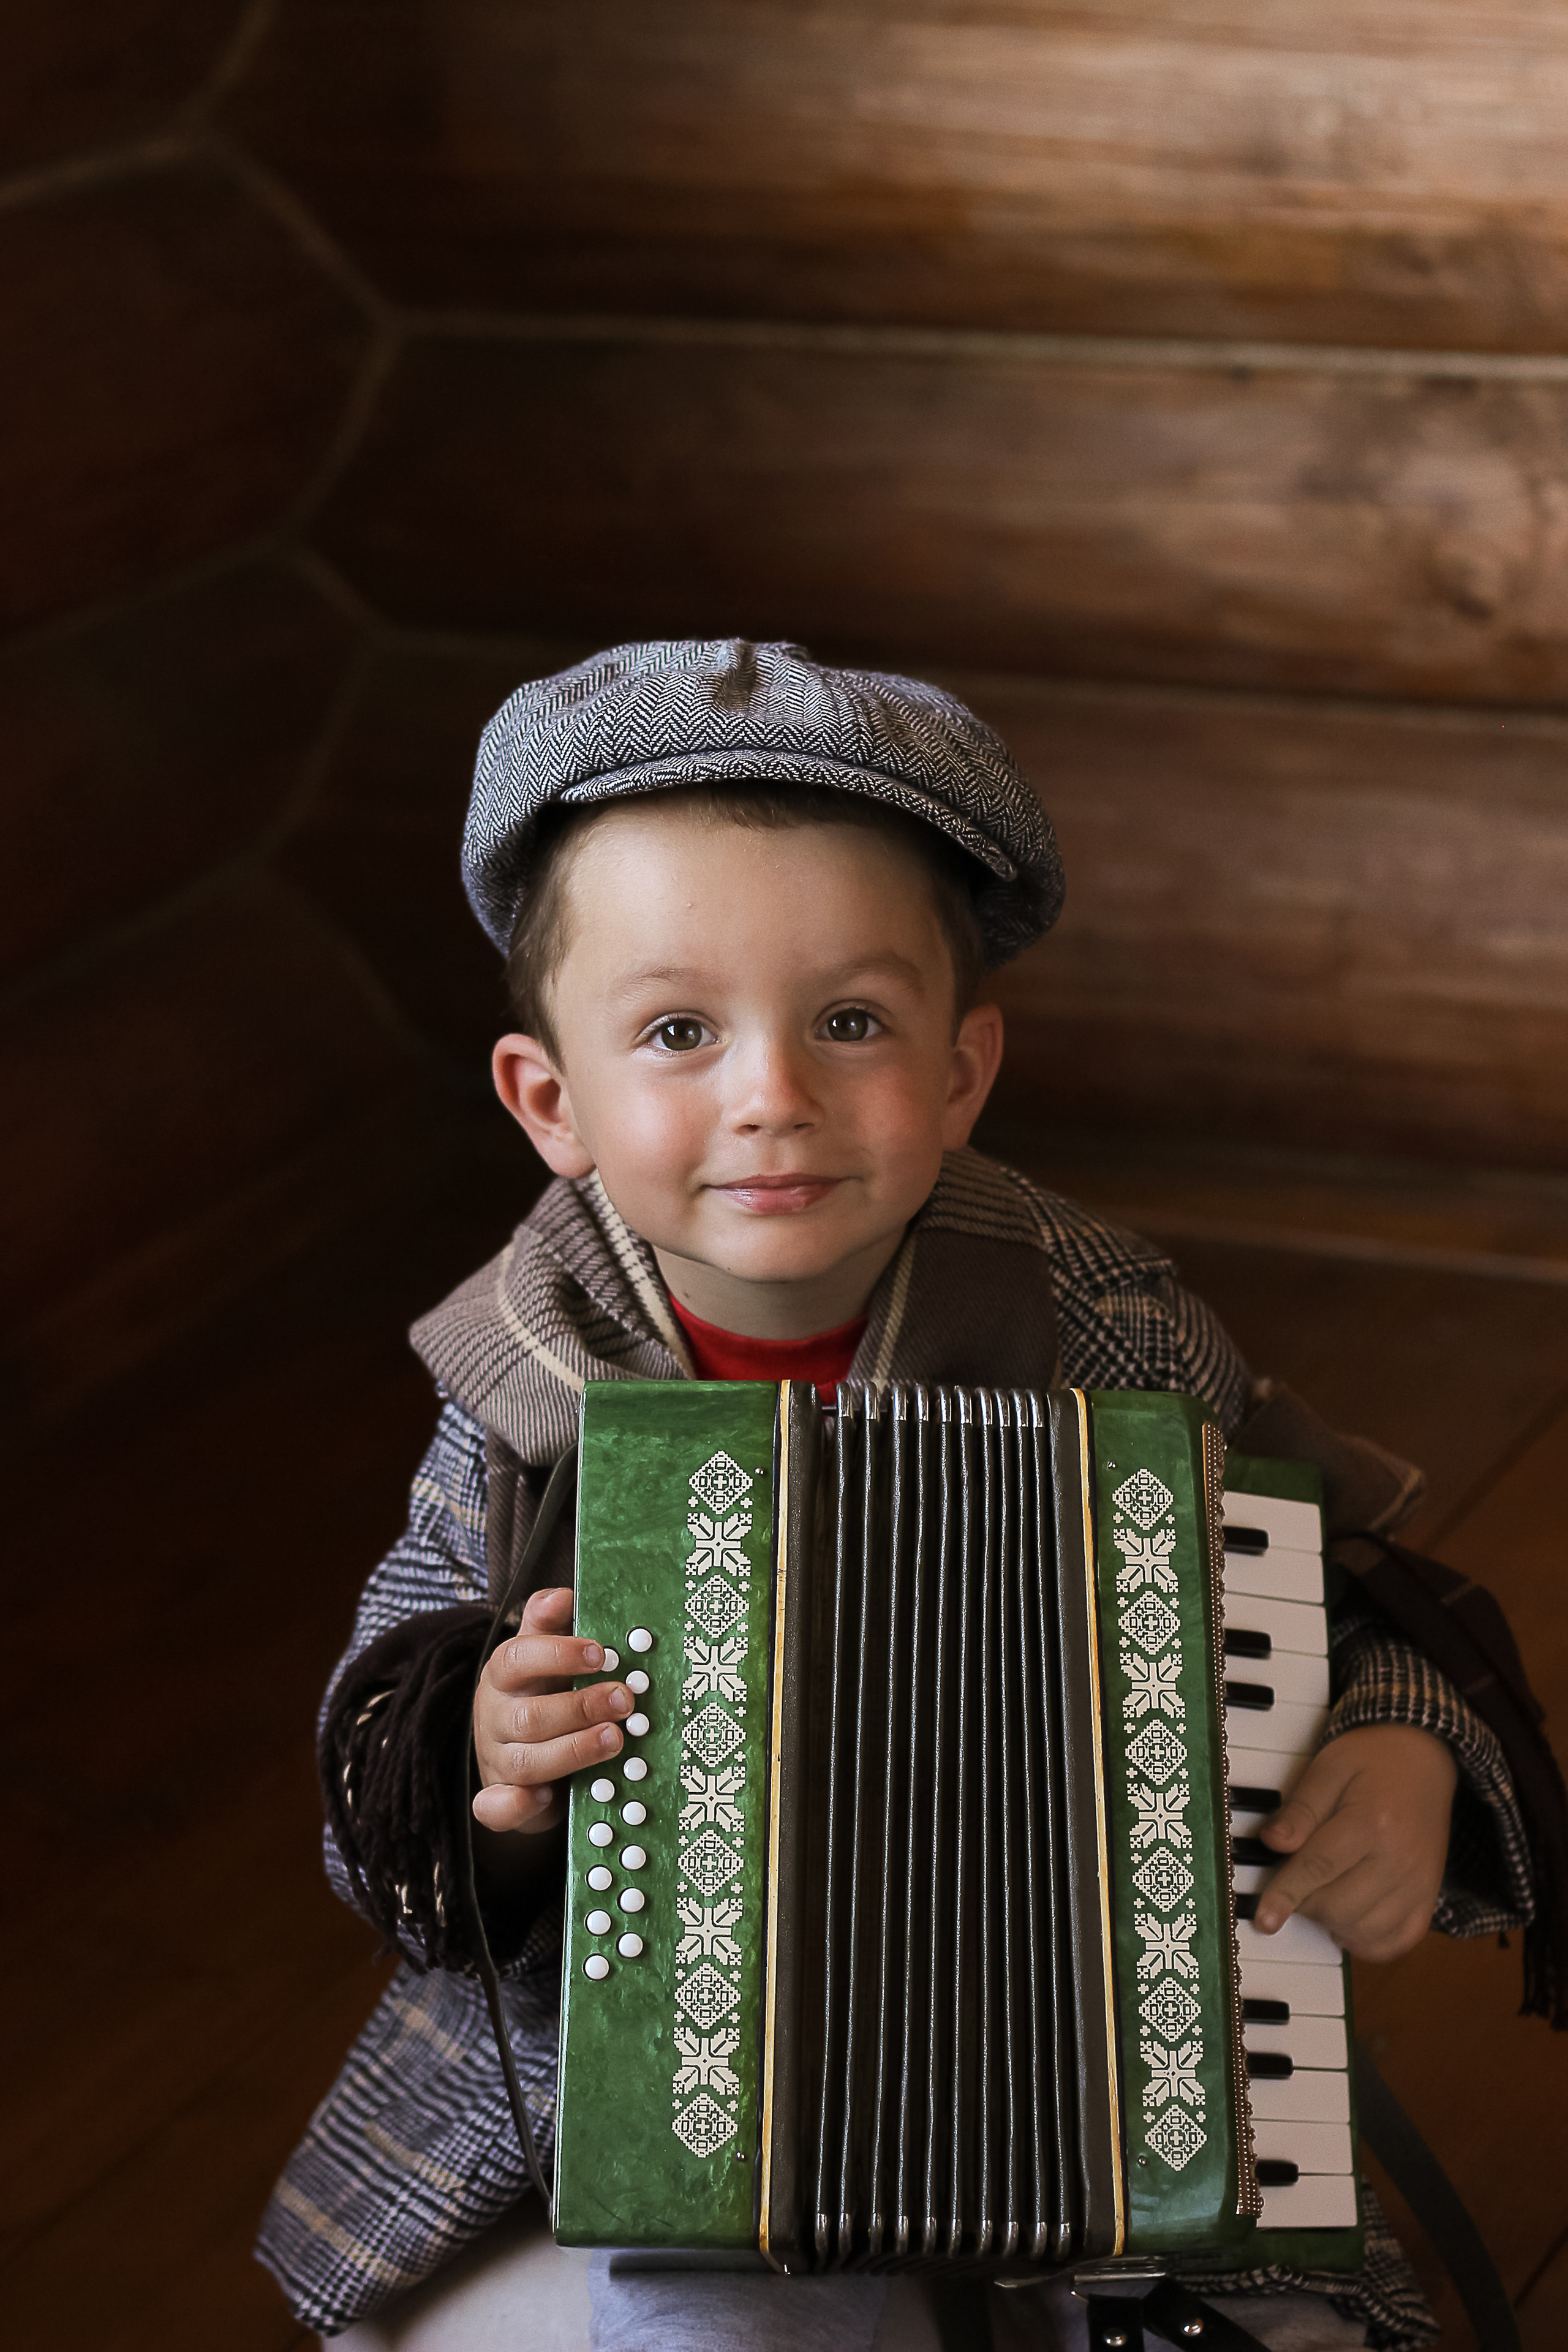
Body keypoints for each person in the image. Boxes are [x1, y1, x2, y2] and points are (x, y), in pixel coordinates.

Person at [257, 640, 1534, 2350]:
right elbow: (382, 1743)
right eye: (678, 1031)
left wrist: (1402, 1744)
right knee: (694, 2325)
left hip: (1093, 2059)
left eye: (849, 1021)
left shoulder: (1104, 1323)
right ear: (549, 1103)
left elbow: (1356, 1595)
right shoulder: (526, 1386)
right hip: (633, 2095)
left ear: (960, 1072)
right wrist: (479, 1752)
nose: (772, 1095)